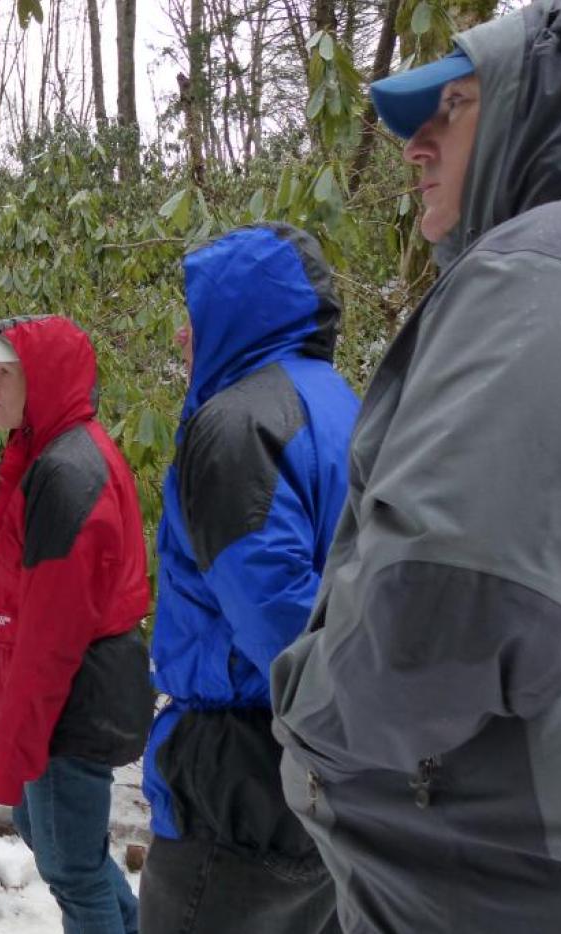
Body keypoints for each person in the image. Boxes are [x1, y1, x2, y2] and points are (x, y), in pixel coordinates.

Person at [271, 3, 561, 931]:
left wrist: (305, 720)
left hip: (496, 881)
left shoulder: (536, 269)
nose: (415, 144)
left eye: (451, 107)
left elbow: (438, 608)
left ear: (545, 116)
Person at [139, 223, 358, 934]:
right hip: (329, 773)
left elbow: (279, 622)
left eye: (195, 318)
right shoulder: (345, 405)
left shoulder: (236, 424)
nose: (183, 339)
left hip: (241, 769)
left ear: (241, 312)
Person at [0, 315, 152, 934]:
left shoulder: (68, 472)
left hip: (71, 701)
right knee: (55, 843)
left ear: (39, 380)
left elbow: (51, 637)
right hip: (67, 695)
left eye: (3, 372)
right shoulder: (51, 452)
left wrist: (20, 735)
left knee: (72, 869)